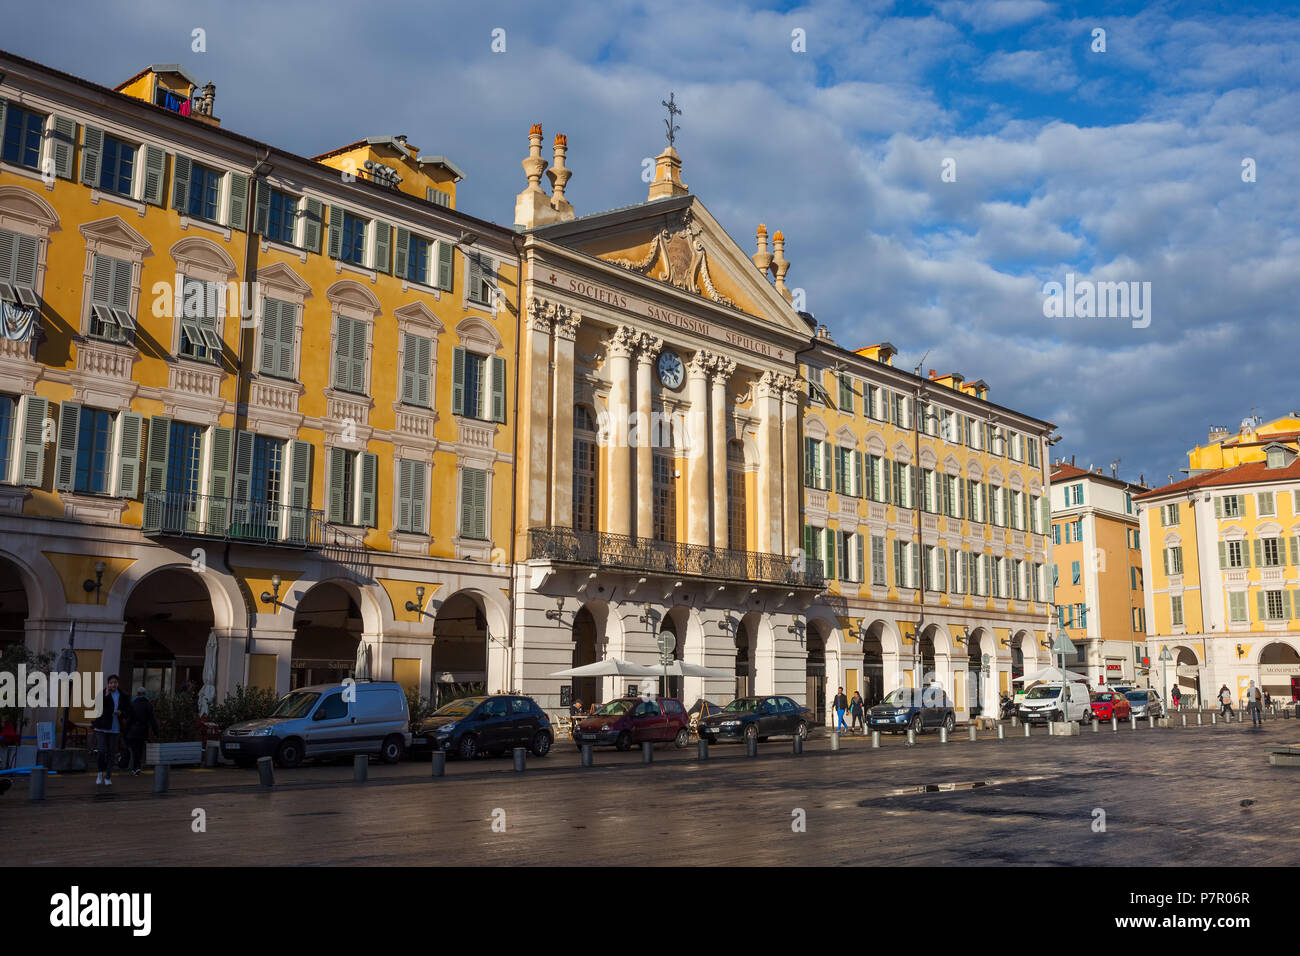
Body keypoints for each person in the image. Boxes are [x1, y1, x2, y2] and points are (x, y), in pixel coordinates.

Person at [91, 674, 127, 787]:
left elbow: (129, 710)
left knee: (111, 753)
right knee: (101, 751)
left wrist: (121, 713)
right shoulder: (102, 693)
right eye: (111, 682)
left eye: (115, 682)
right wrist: (105, 696)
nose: (113, 684)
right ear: (108, 684)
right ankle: (100, 772)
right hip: (101, 727)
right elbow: (96, 708)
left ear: (118, 683)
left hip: (115, 728)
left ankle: (108, 776)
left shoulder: (123, 695)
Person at [124, 687, 159, 775]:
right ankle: (137, 767)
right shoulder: (148, 705)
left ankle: (135, 767)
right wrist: (156, 731)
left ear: (137, 694)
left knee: (134, 749)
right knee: (139, 749)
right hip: (143, 731)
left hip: (132, 731)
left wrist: (125, 731)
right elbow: (152, 720)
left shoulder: (133, 704)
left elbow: (129, 720)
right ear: (145, 694)